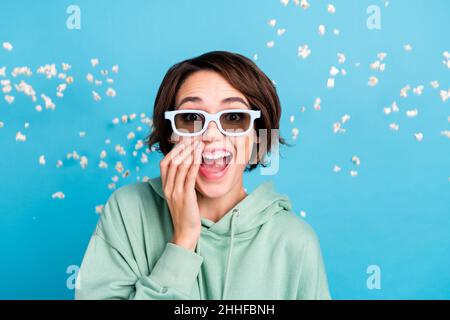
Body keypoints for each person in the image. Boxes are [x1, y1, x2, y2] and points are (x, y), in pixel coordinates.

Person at [75, 51, 331, 300]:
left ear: (258, 137)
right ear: (171, 136)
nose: (210, 135)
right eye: (191, 117)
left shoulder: (295, 241)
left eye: (233, 117)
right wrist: (183, 240)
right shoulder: (129, 212)